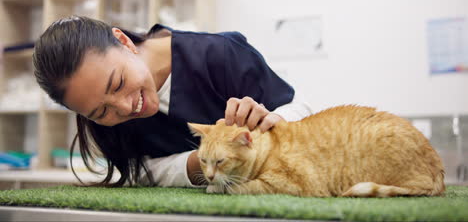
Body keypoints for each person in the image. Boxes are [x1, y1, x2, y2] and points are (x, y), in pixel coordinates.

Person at [32, 16, 312, 187]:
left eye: (118, 83)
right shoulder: (98, 114)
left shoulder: (219, 54)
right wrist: (193, 165)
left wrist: (277, 120)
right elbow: (139, 173)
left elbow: (302, 109)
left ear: (124, 42)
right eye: (102, 111)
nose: (126, 107)